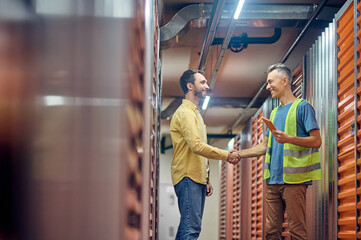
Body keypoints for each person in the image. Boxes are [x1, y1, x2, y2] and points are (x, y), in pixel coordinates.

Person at [236, 63, 322, 240]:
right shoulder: (273, 113)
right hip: (272, 180)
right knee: (271, 233)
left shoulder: (303, 107)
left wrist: (288, 138)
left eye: (270, 82)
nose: (268, 87)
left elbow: (317, 141)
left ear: (285, 81)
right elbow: (263, 147)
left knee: (297, 232)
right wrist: (238, 154)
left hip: (294, 181)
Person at [170, 69, 240, 239]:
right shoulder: (185, 113)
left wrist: (206, 178)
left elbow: (199, 150)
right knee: (190, 228)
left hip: (196, 178)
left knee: (190, 226)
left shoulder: (196, 113)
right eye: (202, 82)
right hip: (188, 176)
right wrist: (226, 155)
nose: (206, 86)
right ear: (189, 86)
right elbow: (197, 147)